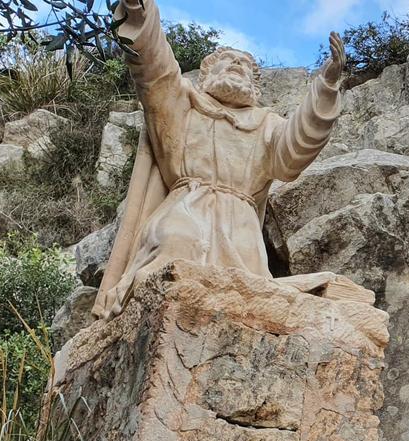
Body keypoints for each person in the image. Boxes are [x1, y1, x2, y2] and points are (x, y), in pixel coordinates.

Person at [94, 0, 347, 318]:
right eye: (227, 60)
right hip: (187, 207)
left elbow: (296, 150)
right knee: (176, 245)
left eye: (244, 63)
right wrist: (140, 12)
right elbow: (156, 70)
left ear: (255, 84)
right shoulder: (183, 104)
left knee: (248, 292)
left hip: (240, 223)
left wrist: (326, 87)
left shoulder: (267, 124)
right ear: (206, 73)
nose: (237, 65)